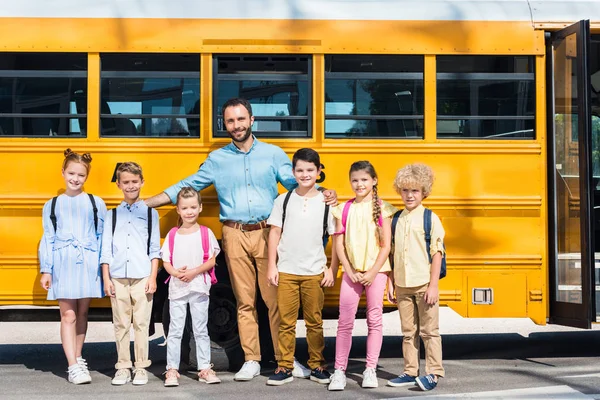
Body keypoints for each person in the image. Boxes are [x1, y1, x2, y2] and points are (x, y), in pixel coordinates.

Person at [145, 97, 336, 381]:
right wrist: (146, 203)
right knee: (244, 301)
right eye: (231, 121)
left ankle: (286, 359)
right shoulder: (217, 160)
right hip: (233, 234)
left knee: (275, 301)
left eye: (241, 119)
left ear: (251, 120)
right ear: (226, 125)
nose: (236, 125)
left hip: (266, 232)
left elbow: (299, 184)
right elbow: (188, 185)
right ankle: (252, 359)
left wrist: (326, 191)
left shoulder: (273, 154)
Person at [265, 148, 337, 386]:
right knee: (286, 321)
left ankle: (317, 365)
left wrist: (331, 269)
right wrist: (272, 267)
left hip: (314, 271)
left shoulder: (326, 202)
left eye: (310, 170)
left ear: (318, 172)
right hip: (286, 270)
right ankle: (285, 366)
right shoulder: (283, 200)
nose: (305, 174)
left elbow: (336, 237)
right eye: (300, 170)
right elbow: (274, 233)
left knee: (314, 322)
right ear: (293, 172)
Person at [39, 148, 107, 384]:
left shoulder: (95, 202)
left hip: (88, 262)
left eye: (81, 175)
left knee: (82, 313)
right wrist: (46, 269)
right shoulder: (53, 204)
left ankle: (78, 357)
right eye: (71, 173)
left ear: (86, 177)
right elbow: (48, 237)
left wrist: (103, 269)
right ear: (63, 173)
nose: (75, 179)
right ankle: (72, 366)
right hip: (63, 262)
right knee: (67, 314)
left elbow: (101, 236)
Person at [328, 161, 396, 391]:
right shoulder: (343, 209)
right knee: (344, 322)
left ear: (374, 181)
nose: (359, 184)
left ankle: (370, 369)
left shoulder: (383, 209)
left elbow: (386, 246)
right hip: (352, 272)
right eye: (355, 180)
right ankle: (339, 370)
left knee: (374, 320)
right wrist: (348, 270)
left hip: (376, 272)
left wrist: (373, 272)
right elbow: (339, 245)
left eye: (364, 179)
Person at [100, 162, 160, 386]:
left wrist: (153, 277)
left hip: (142, 275)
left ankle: (141, 367)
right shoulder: (112, 214)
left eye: (135, 182)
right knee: (121, 323)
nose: (131, 186)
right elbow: (105, 250)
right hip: (117, 276)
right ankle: (123, 367)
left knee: (141, 323)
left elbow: (154, 249)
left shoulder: (150, 214)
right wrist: (106, 278)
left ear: (142, 182)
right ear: (119, 184)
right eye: (126, 182)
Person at [386, 163, 445, 391]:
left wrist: (433, 286)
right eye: (405, 190)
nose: (409, 195)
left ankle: (433, 373)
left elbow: (437, 253)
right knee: (408, 332)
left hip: (423, 284)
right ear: (399, 191)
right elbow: (391, 253)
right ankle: (410, 371)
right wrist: (391, 282)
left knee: (429, 332)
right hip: (402, 285)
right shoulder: (396, 218)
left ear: (424, 192)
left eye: (415, 191)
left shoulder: (430, 218)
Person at [161, 187, 221, 387]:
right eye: (185, 208)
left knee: (200, 328)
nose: (189, 211)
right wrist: (177, 273)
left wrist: (193, 271)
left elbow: (212, 261)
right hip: (178, 288)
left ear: (200, 208)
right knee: (175, 329)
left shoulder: (206, 233)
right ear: (178, 209)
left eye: (193, 207)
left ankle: (204, 367)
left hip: (198, 286)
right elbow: (166, 262)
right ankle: (172, 369)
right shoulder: (172, 235)